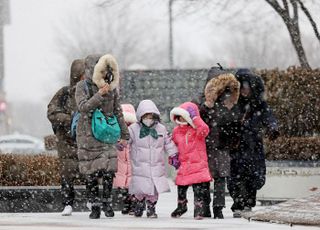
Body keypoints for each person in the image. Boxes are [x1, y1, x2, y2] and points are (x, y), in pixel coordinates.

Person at [75, 54, 129, 219]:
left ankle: (107, 202)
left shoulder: (111, 87)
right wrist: (99, 94)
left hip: (106, 134)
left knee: (108, 170)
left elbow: (117, 110)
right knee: (91, 172)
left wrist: (124, 133)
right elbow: (83, 107)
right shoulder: (82, 86)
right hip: (87, 135)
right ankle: (95, 206)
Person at [227, 68, 280, 218]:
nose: (244, 91)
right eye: (242, 87)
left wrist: (273, 128)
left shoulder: (259, 105)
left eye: (247, 87)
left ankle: (248, 204)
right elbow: (223, 120)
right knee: (235, 177)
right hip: (235, 146)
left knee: (253, 176)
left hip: (253, 146)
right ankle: (238, 204)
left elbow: (269, 117)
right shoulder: (232, 103)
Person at [193, 66, 241, 219]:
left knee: (221, 177)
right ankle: (206, 206)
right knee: (204, 178)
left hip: (221, 144)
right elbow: (192, 117)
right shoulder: (200, 100)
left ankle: (218, 208)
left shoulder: (229, 98)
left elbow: (234, 121)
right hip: (204, 145)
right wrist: (207, 106)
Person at [47, 59, 85, 216]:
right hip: (66, 140)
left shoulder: (90, 92)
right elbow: (52, 112)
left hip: (85, 139)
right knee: (67, 172)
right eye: (83, 75)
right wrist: (70, 119)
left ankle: (92, 200)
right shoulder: (64, 93)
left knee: (90, 171)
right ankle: (68, 203)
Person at [128, 99, 178, 218]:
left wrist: (173, 154)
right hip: (140, 165)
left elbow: (168, 142)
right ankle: (139, 204)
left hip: (156, 165)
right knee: (140, 188)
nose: (148, 119)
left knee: (154, 189)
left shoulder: (161, 129)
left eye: (151, 116)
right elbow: (126, 141)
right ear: (140, 116)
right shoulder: (134, 129)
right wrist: (121, 144)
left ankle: (151, 207)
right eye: (146, 116)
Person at [169, 102, 212, 220]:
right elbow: (173, 145)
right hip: (185, 164)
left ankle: (199, 209)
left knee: (198, 189)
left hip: (198, 164)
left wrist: (196, 118)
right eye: (180, 116)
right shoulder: (176, 131)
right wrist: (173, 157)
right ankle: (181, 206)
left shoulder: (196, 130)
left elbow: (204, 129)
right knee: (181, 187)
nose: (182, 119)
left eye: (184, 116)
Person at [113, 104, 137, 215]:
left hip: (132, 163)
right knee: (122, 186)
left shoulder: (136, 132)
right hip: (121, 163)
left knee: (132, 185)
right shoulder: (116, 131)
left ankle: (132, 204)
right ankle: (126, 203)